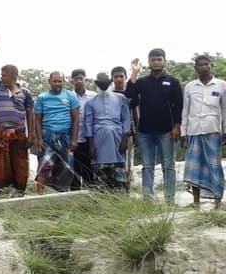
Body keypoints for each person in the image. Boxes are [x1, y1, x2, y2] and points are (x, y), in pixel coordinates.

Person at [125, 48, 183, 203]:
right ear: (148, 62)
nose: (156, 62)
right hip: (145, 132)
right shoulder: (142, 82)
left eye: (159, 59)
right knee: (147, 166)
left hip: (167, 130)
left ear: (164, 61)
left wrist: (177, 126)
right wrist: (134, 73)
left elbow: (179, 105)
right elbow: (128, 94)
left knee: (168, 166)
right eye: (153, 59)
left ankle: (170, 199)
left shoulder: (173, 81)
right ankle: (148, 199)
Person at [0, 32, 35, 195]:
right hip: (1, 132)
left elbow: (30, 114)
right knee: (0, 162)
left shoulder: (25, 92)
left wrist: (32, 135)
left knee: (20, 161)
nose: (1, 76)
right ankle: (0, 189)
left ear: (13, 76)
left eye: (4, 74)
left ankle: (19, 189)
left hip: (19, 133)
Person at [181, 55, 226, 209]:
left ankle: (218, 201)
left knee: (214, 166)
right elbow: (185, 111)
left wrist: (225, 130)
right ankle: (196, 201)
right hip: (193, 131)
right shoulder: (190, 87)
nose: (203, 67)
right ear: (195, 68)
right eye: (199, 65)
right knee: (195, 166)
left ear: (211, 65)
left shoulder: (221, 85)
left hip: (213, 130)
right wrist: (183, 133)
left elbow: (225, 110)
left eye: (206, 64)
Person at [84, 72, 133, 192]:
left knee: (119, 172)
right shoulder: (90, 102)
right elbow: (88, 124)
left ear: (110, 83)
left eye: (106, 83)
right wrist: (91, 145)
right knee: (101, 175)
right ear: (96, 84)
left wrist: (125, 139)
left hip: (118, 138)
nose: (103, 86)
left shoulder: (120, 98)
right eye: (101, 84)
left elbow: (126, 119)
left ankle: (120, 199)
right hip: (99, 140)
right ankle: (102, 201)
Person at [34, 72, 81, 193]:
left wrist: (74, 139)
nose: (57, 84)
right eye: (54, 81)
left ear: (64, 82)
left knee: (67, 168)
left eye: (60, 81)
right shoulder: (42, 97)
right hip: (48, 137)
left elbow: (76, 119)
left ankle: (63, 195)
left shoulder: (70, 96)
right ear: (49, 82)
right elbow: (37, 120)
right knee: (44, 166)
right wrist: (39, 139)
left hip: (66, 137)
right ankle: (39, 195)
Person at [69, 69, 98, 190]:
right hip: (73, 139)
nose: (79, 81)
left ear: (85, 79)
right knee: (73, 170)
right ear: (72, 81)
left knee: (88, 169)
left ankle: (89, 199)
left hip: (89, 139)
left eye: (81, 78)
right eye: (76, 79)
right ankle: (74, 197)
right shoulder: (68, 96)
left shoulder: (93, 96)